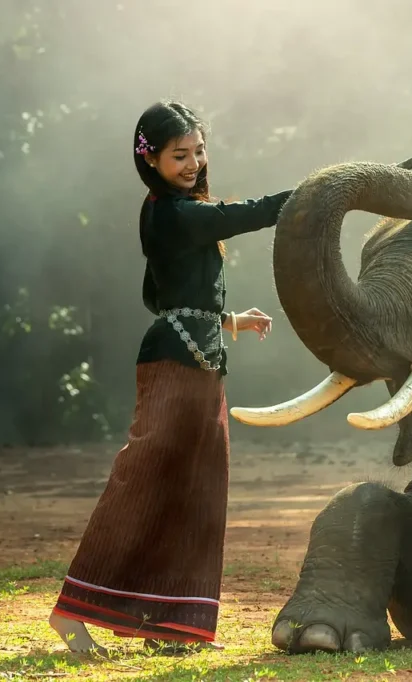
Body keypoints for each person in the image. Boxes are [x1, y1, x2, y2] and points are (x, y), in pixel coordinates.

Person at [48, 100, 292, 656]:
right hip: (173, 364)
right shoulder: (171, 214)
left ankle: (170, 622)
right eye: (179, 154)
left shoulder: (178, 213)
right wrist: (317, 195)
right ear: (150, 160)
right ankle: (71, 611)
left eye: (199, 151)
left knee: (199, 491)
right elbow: (246, 214)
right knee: (143, 483)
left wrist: (227, 319)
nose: (193, 163)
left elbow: (159, 292)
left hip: (200, 362)